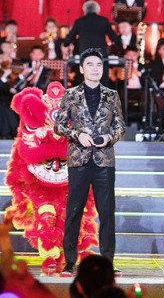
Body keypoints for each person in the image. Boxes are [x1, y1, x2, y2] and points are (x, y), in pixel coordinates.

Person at [54, 49, 126, 276]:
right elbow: (58, 126)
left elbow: (120, 126)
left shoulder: (112, 95)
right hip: (79, 159)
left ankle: (107, 262)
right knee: (74, 211)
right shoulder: (71, 94)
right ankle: (69, 262)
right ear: (81, 69)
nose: (95, 69)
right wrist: (78, 135)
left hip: (104, 160)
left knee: (106, 212)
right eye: (90, 65)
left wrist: (108, 137)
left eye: (99, 65)